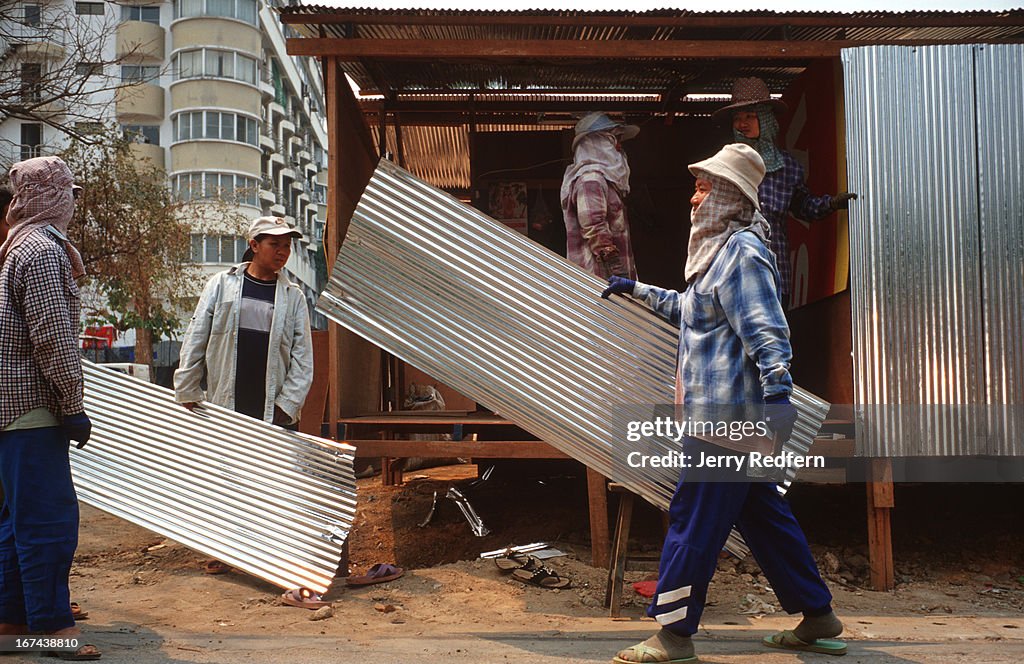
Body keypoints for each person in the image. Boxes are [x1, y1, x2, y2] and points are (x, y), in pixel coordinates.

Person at [602, 144, 845, 662]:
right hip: (720, 419)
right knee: (762, 517)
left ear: (729, 196)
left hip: (727, 423)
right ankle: (818, 615)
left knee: (692, 518)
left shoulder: (743, 254)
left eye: (703, 187)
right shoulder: (718, 258)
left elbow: (768, 330)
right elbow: (691, 309)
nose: (693, 198)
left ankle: (673, 634)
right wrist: (636, 290)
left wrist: (779, 394)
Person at [0, 156, 100, 659]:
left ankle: (12, 622)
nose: (73, 204)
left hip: (11, 413)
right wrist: (72, 403)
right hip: (33, 408)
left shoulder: (18, 245)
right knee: (48, 523)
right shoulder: (42, 250)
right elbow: (53, 337)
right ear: (54, 196)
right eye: (70, 194)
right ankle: (52, 629)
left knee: (16, 522)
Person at [713, 77, 857, 307]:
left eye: (750, 116)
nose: (742, 123)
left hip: (775, 272)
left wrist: (831, 204)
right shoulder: (723, 164)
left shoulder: (787, 167)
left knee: (773, 339)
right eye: (737, 118)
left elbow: (803, 207)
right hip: (733, 272)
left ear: (766, 118)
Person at [560, 111, 640, 280]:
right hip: (598, 279)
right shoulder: (591, 179)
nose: (619, 147)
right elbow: (593, 225)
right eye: (614, 139)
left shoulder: (601, 179)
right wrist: (615, 269)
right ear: (597, 141)